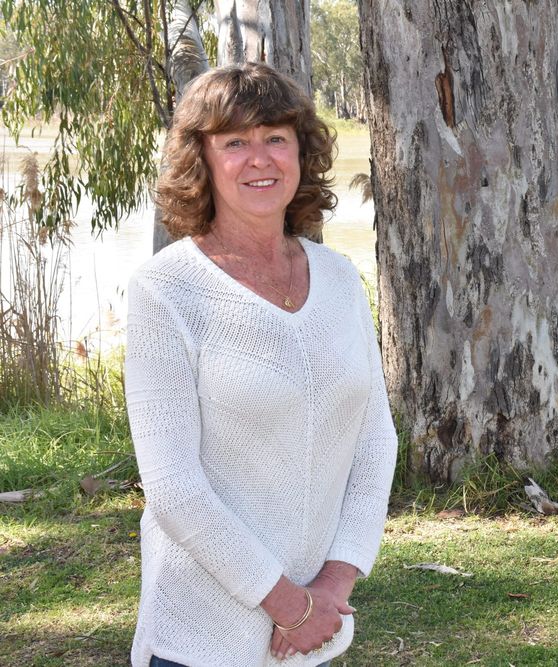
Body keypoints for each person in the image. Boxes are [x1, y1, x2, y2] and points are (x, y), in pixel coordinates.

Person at [124, 62, 398, 666]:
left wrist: (333, 585)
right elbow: (173, 490)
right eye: (235, 142)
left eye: (276, 137)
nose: (260, 158)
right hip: (199, 641)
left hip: (312, 639)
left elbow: (374, 438)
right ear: (202, 159)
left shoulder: (339, 280)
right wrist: (287, 605)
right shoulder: (165, 292)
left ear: (301, 152)